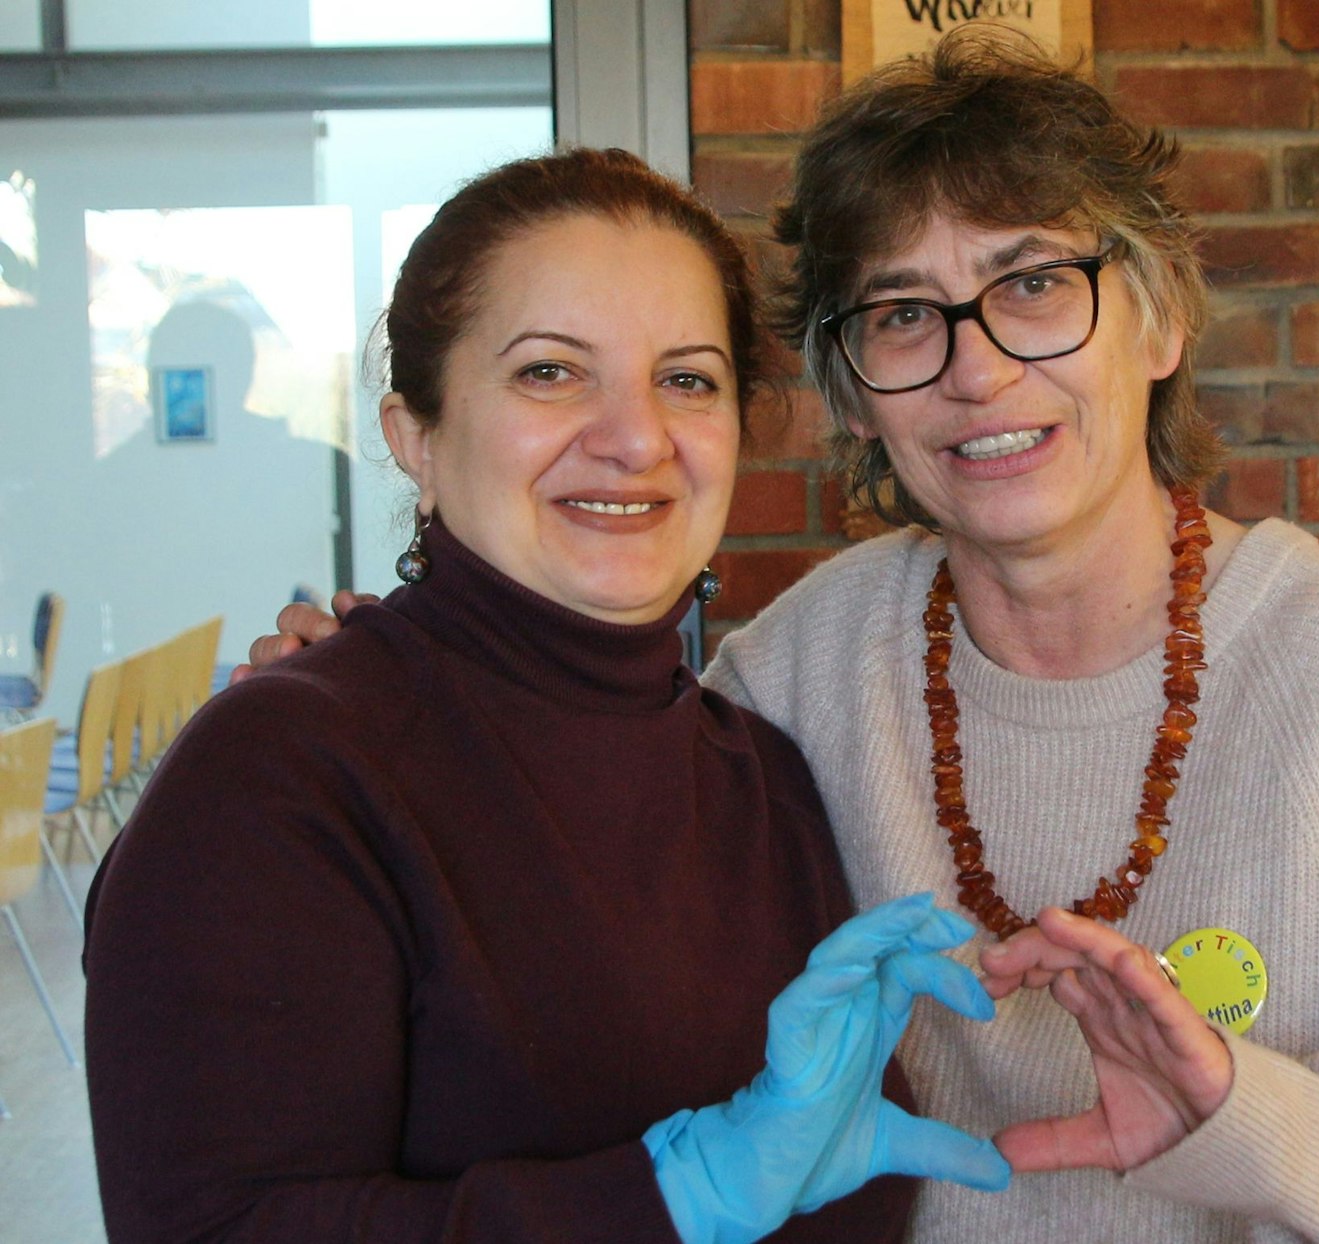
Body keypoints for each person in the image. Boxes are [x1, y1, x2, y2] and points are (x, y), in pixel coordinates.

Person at [245, 30, 1319, 1244]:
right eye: (903, 315)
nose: (976, 367)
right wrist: (384, 692)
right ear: (851, 395)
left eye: (1034, 284)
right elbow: (565, 836)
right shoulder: (797, 670)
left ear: (1157, 317)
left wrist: (1251, 1116)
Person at [81, 147, 1012, 1244]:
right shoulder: (280, 776)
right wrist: (679, 1192)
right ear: (414, 437)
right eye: (549, 372)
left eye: (687, 378)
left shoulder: (762, 775)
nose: (633, 438)